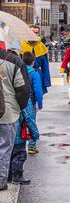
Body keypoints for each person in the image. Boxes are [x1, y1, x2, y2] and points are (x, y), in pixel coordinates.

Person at [0, 48, 30, 191]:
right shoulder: (14, 61)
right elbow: (23, 90)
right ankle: (0, 180)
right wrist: (19, 107)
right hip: (8, 111)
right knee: (5, 147)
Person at [8, 54, 40, 184]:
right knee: (20, 154)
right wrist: (35, 134)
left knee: (7, 153)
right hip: (19, 133)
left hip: (7, 130)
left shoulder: (6, 94)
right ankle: (17, 175)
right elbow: (29, 117)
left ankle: (8, 175)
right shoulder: (23, 96)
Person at [22, 52, 43, 154]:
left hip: (19, 101)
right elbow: (38, 90)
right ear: (33, 62)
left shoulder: (18, 71)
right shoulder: (34, 73)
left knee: (20, 123)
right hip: (31, 101)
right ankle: (31, 146)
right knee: (31, 122)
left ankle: (20, 145)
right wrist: (40, 103)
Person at [20, 25, 51, 95]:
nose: (34, 35)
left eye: (36, 33)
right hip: (25, 73)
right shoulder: (22, 45)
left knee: (38, 94)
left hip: (37, 73)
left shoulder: (41, 46)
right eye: (32, 32)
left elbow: (45, 66)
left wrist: (46, 81)